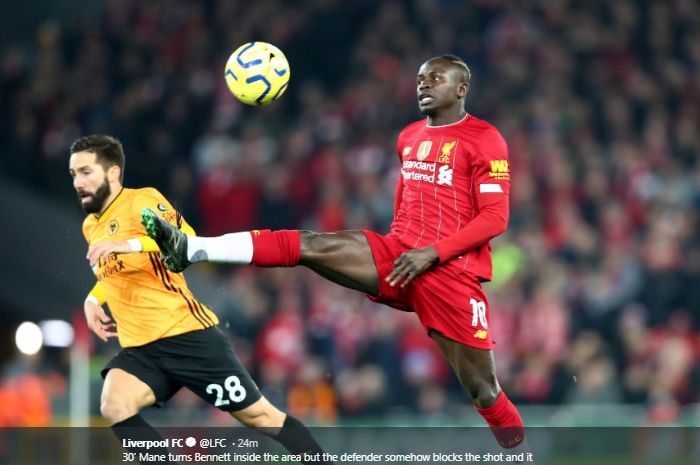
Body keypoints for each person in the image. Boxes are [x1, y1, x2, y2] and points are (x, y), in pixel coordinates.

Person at [144, 54, 529, 453]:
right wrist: (392, 249)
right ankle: (194, 248)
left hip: (450, 275)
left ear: (461, 88)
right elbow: (405, 200)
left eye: (436, 78)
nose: (424, 85)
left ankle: (521, 456)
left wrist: (431, 253)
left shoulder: (485, 139)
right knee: (311, 245)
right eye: (420, 78)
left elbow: (495, 218)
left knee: (484, 391)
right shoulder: (410, 136)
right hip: (398, 255)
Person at [69, 134, 333, 465]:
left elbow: (188, 241)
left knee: (262, 418)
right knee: (114, 405)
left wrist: (131, 244)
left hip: (186, 335)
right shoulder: (91, 225)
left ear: (112, 174)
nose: (78, 182)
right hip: (142, 349)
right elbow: (114, 271)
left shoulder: (142, 201)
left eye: (86, 172)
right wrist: (93, 300)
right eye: (74, 174)